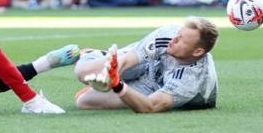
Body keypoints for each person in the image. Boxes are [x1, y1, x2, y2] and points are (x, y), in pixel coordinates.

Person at [74, 17, 219, 113]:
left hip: (154, 89)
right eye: (178, 34)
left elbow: (150, 106)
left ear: (198, 51)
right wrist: (109, 75)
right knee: (82, 71)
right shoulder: (169, 33)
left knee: (84, 102)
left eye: (181, 40)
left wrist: (116, 84)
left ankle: (114, 80)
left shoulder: (192, 78)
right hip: (148, 62)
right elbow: (127, 61)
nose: (173, 39)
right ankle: (93, 54)